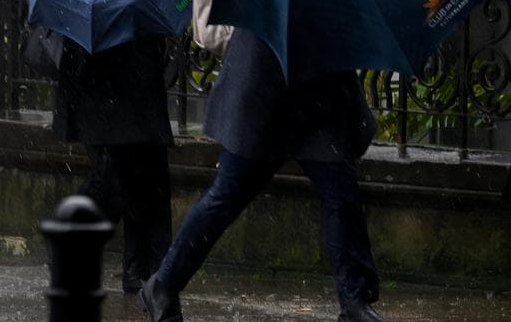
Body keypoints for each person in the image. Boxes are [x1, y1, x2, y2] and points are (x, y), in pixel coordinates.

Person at [139, 28, 386, 322]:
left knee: (341, 194)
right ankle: (163, 285)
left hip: (320, 85)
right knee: (228, 194)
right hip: (264, 79)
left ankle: (354, 300)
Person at [53, 33, 174, 295]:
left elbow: (184, 2)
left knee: (142, 179)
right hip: (104, 84)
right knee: (118, 179)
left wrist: (185, 3)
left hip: (130, 83)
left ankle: (143, 271)